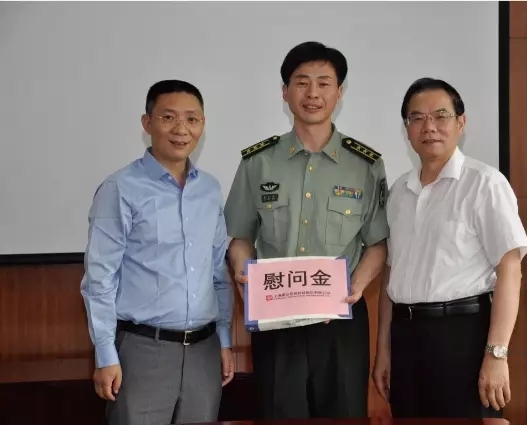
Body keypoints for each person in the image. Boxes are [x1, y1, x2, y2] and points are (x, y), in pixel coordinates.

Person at [224, 41, 389, 419]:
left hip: (341, 321)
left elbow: (378, 243)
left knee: (344, 415)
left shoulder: (365, 165)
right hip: (276, 319)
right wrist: (243, 271)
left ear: (339, 92)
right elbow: (240, 237)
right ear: (285, 92)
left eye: (324, 83)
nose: (312, 93)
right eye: (301, 82)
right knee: (279, 414)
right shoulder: (258, 162)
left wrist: (355, 287)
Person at [372, 77, 527, 419]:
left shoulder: (484, 183)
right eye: (417, 118)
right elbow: (390, 275)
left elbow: (510, 269)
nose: (429, 127)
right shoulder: (399, 192)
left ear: (461, 122)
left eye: (440, 116)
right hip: (406, 337)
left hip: (463, 336)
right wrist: (383, 350)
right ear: (407, 129)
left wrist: (497, 353)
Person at [80, 79, 235, 425]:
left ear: (203, 125)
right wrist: (105, 354)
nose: (181, 129)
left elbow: (218, 273)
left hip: (204, 352)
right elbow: (99, 279)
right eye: (168, 118)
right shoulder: (120, 188)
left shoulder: (209, 189)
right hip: (142, 351)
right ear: (147, 123)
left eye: (192, 119)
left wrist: (224, 340)